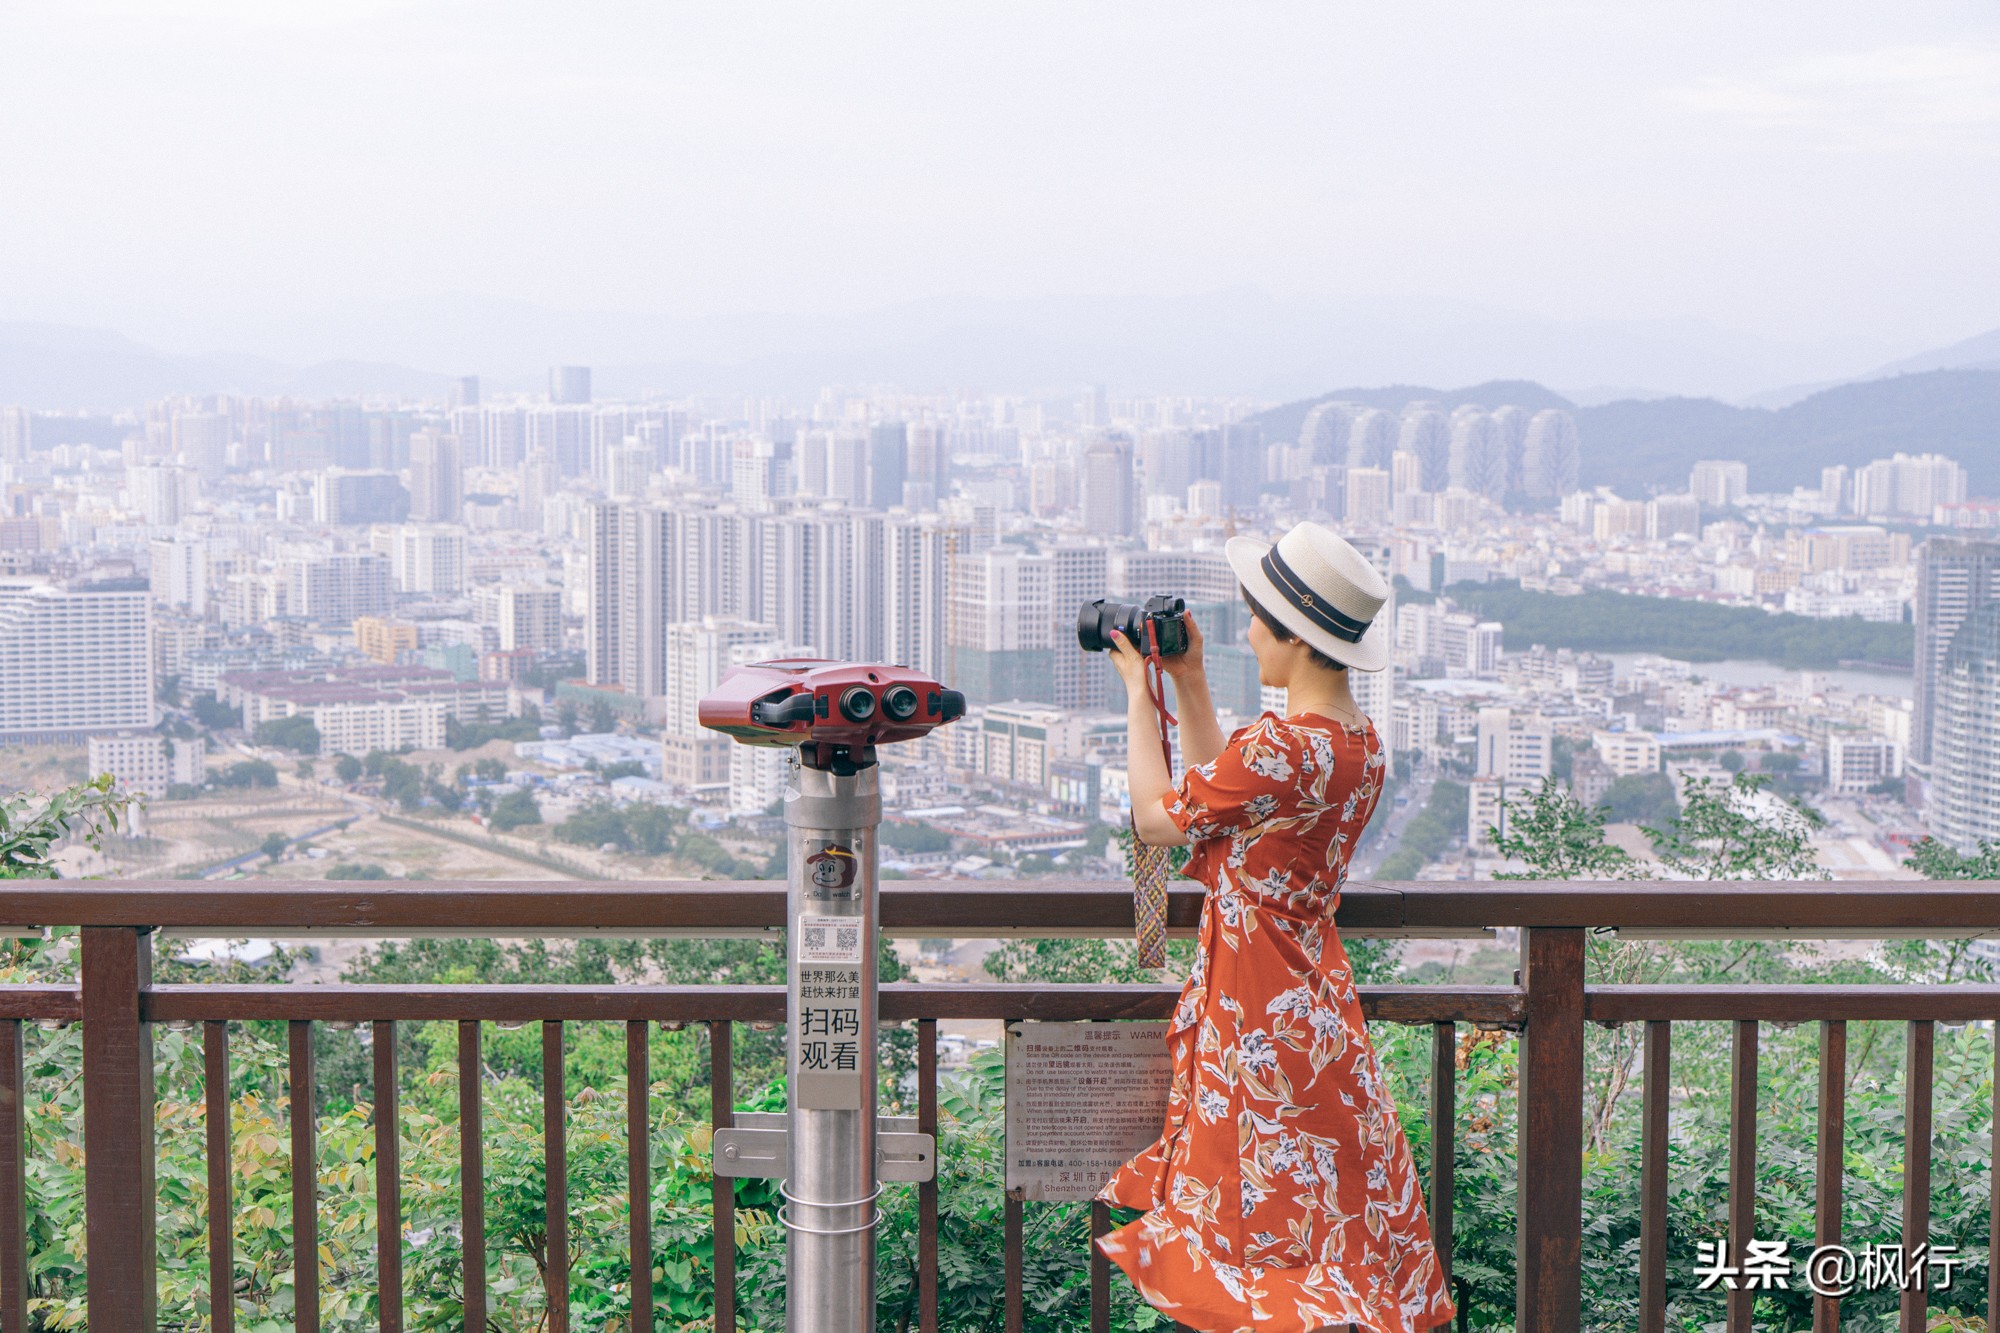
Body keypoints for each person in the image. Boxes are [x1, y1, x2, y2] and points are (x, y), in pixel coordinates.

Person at [1093, 520, 1457, 1333]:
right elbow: (1229, 796)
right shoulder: (1359, 744)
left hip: (1254, 1013)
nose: (1250, 632)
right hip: (1311, 1008)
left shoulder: (1283, 746)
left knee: (1250, 1225)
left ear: (1295, 635)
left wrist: (1139, 694)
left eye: (1260, 618)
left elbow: (1158, 819)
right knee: (1318, 1216)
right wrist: (1190, 682)